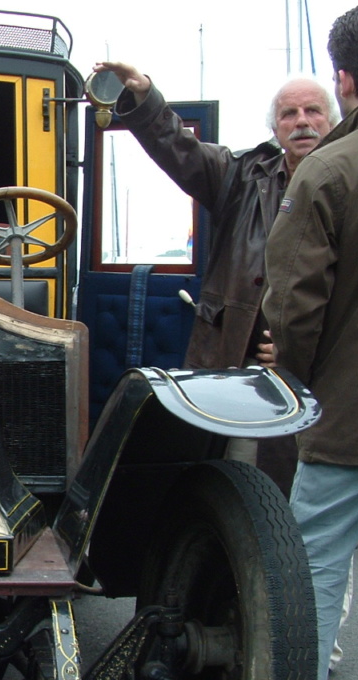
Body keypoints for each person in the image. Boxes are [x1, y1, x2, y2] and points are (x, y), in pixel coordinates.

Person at [92, 61, 337, 496]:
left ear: (332, 121)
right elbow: (179, 149)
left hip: (320, 377)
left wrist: (298, 344)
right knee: (232, 487)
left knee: (306, 500)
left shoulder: (349, 182)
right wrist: (144, 95)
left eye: (313, 111)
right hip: (236, 368)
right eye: (289, 114)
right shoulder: (242, 176)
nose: (302, 122)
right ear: (275, 129)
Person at [261, 3, 358, 680]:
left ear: (346, 79)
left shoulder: (331, 170)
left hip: (351, 412)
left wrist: (306, 385)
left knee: (311, 573)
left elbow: (296, 306)